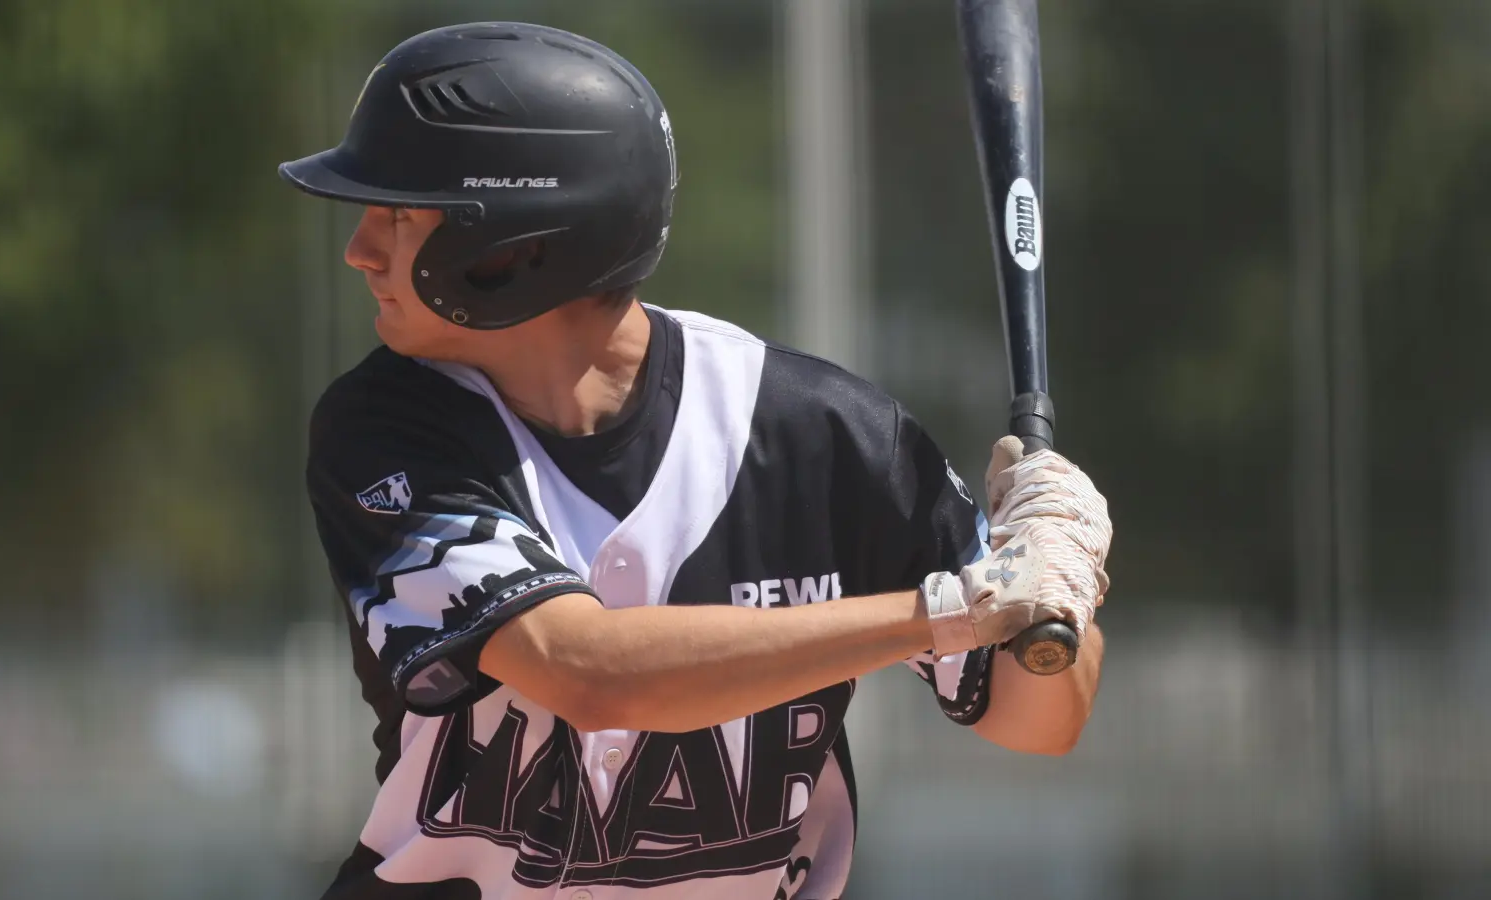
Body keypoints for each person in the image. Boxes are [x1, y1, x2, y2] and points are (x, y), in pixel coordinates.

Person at [280, 21, 1112, 900]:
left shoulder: (820, 432)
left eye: (399, 215)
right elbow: (586, 671)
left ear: (517, 248)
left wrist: (1054, 584)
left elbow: (1038, 719)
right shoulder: (388, 430)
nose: (359, 249)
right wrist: (948, 613)